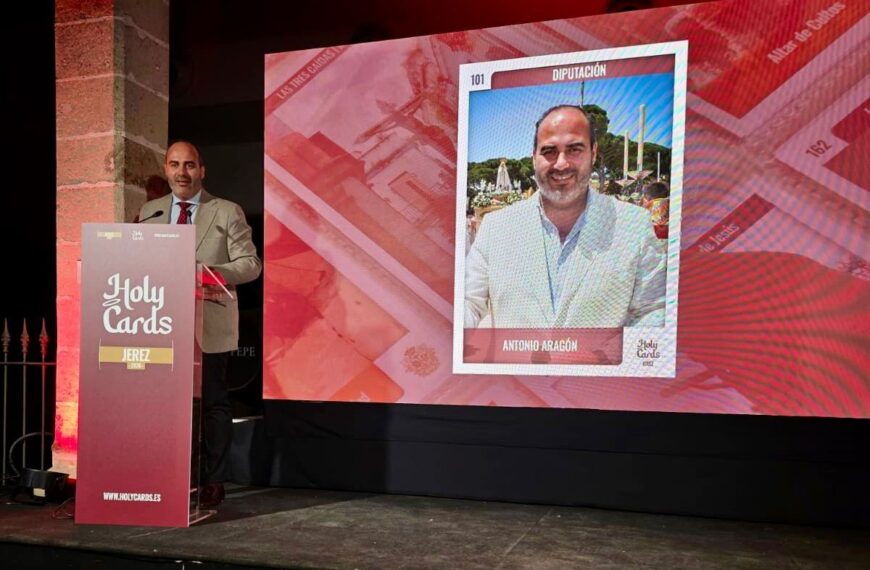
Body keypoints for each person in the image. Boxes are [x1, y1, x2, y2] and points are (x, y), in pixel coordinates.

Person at [138, 141, 262, 508]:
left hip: (209, 323)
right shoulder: (150, 212)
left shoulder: (226, 211)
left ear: (202, 170)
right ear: (166, 168)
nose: (182, 173)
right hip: (160, 324)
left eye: (189, 165)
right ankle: (171, 475)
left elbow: (250, 264)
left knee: (213, 404)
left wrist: (207, 274)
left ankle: (212, 481)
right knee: (165, 406)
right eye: (174, 164)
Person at [464, 105, 665, 328]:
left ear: (594, 153)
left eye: (574, 149)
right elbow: (468, 304)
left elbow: (653, 310)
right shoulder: (495, 227)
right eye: (549, 151)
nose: (561, 163)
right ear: (533, 158)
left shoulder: (634, 224)